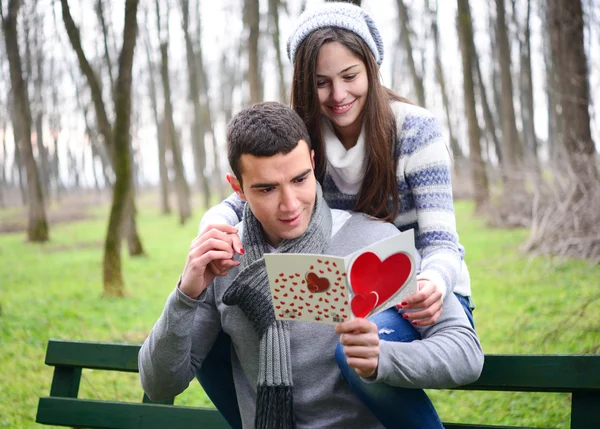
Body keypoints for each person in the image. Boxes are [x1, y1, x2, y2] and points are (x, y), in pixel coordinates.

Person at [196, 3, 476, 428]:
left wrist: (433, 282)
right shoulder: (308, 136)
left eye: (350, 77)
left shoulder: (416, 130)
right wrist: (213, 224)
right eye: (322, 83)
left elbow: (441, 243)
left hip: (421, 292)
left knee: (353, 352)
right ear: (306, 85)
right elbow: (255, 191)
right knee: (218, 339)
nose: (338, 95)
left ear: (371, 68)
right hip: (345, 287)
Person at [139, 102, 483, 429]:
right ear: (238, 189)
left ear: (314, 162)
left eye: (300, 179)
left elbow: (465, 353)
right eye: (267, 189)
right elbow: (159, 384)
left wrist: (384, 359)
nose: (290, 204)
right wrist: (186, 291)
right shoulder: (224, 259)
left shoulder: (375, 242)